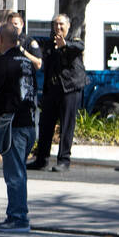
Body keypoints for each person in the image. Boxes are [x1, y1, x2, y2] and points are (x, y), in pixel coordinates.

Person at [0, 23, 37, 233]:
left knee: (14, 174)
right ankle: (18, 214)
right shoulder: (27, 63)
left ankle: (18, 218)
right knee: (19, 171)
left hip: (13, 124)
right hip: (30, 123)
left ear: (1, 41)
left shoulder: (3, 62)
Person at [30, 13, 86, 172]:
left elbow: (80, 47)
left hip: (70, 89)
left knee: (67, 126)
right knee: (45, 124)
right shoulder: (49, 43)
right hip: (51, 90)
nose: (58, 27)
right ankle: (41, 160)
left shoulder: (74, 42)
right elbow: (37, 46)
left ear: (68, 26)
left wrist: (64, 45)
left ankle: (64, 160)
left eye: (61, 24)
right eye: (55, 24)